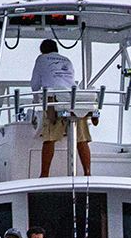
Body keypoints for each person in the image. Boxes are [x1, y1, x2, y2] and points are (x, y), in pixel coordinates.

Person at [30, 38, 95, 176]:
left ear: (42, 51)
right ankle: (88, 173)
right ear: (56, 50)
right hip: (76, 101)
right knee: (82, 140)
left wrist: (37, 103)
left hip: (55, 101)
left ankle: (44, 175)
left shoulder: (41, 59)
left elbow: (35, 84)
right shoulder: (66, 60)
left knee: (49, 139)